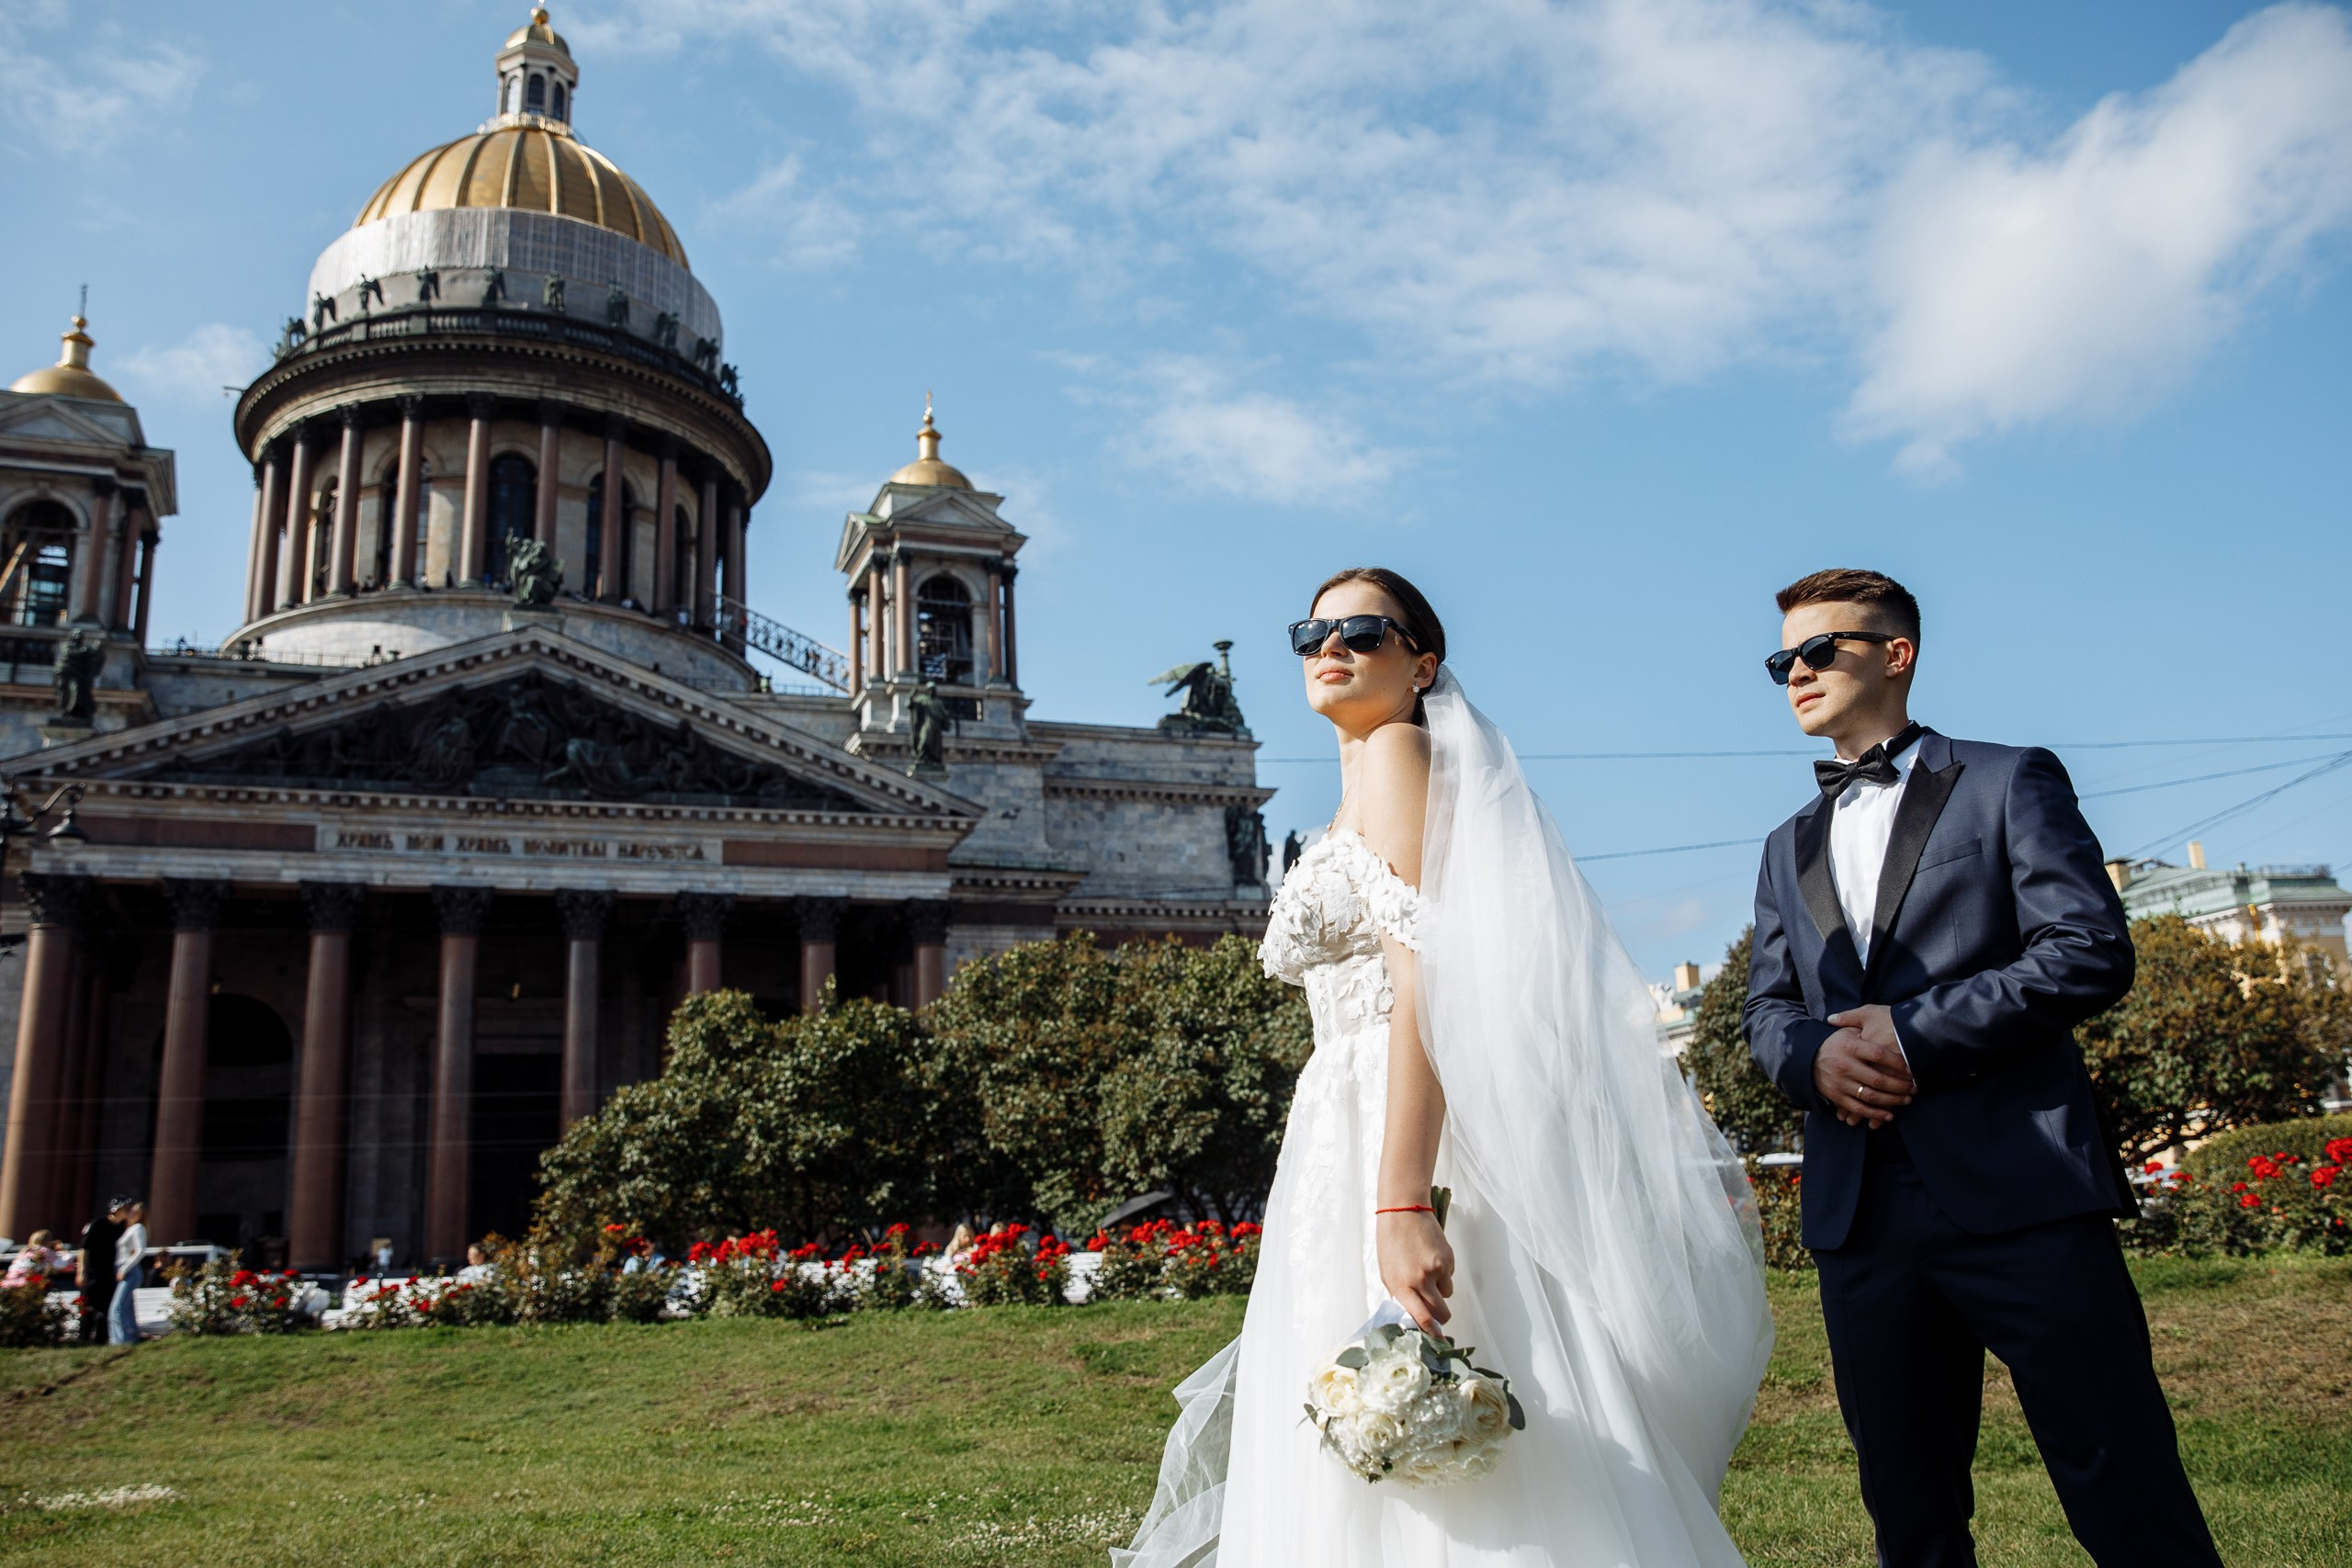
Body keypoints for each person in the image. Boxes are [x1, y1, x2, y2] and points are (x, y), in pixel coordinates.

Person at [1121, 568, 1772, 1567]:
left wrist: (1400, 1202)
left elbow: (1428, 977)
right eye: (1310, 631)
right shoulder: (1353, 793)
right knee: (1371, 1402)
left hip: (1399, 1122)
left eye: (1362, 632)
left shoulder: (1396, 754)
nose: (1327, 647)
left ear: (1422, 664)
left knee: (1441, 1402)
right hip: (1337, 1126)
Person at [1743, 569, 2220, 1568]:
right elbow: (1766, 1011)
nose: (1796, 672)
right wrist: (1815, 1056)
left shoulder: (2009, 779)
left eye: (1820, 650)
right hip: (1860, 1212)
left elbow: (2086, 948)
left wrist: (1911, 1033)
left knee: (2123, 1483)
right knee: (1908, 1518)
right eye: (1781, 659)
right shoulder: (1786, 846)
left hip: (2023, 1191)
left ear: (1895, 654)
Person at [77, 1203, 125, 1344]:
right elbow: (84, 1249)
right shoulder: (97, 1224)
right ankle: (83, 1338)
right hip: (92, 1272)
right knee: (87, 1304)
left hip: (110, 1273)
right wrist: (82, 1271)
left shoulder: (123, 1227)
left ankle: (101, 1338)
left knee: (107, 1306)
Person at [109, 1199, 148, 1346]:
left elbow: (140, 1251)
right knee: (126, 1307)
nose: (131, 1213)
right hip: (124, 1269)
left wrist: (124, 1269)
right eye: (131, 1211)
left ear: (141, 1215)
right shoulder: (129, 1228)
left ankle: (120, 1341)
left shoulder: (138, 1228)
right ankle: (132, 1338)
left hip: (129, 1271)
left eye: (135, 1212)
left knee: (117, 1307)